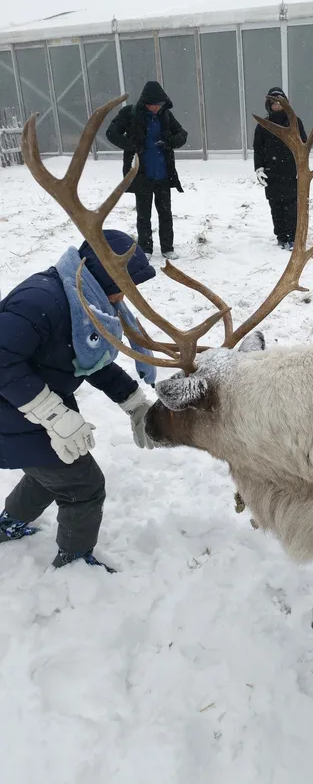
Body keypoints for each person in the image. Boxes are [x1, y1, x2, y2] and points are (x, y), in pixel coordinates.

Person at [0, 230, 157, 570]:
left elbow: (87, 359)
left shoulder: (81, 300)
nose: (127, 296)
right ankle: (74, 562)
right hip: (14, 407)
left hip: (25, 403)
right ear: (107, 275)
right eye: (126, 285)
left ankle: (8, 525)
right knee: (83, 485)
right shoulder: (42, 302)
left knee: (50, 472)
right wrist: (53, 415)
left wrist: (133, 400)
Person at [106, 81, 187, 261]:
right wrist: (131, 145)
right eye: (153, 104)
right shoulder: (130, 114)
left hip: (163, 174)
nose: (156, 108)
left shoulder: (166, 115)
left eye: (159, 104)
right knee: (144, 214)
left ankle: (167, 248)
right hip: (141, 174)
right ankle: (146, 248)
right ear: (145, 102)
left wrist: (169, 142)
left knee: (165, 213)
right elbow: (111, 133)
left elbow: (182, 134)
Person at [254, 87, 307, 250]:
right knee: (275, 205)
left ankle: (292, 237)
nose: (277, 105)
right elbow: (258, 148)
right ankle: (281, 237)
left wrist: (301, 168)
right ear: (269, 104)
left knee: (291, 206)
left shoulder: (295, 122)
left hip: (291, 172)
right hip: (271, 172)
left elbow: (304, 145)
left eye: (280, 102)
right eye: (274, 103)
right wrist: (259, 168)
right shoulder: (263, 124)